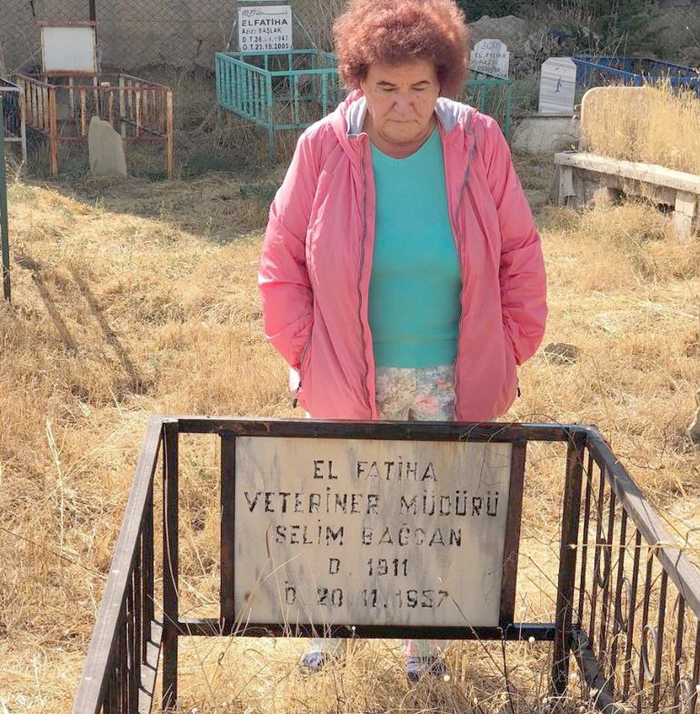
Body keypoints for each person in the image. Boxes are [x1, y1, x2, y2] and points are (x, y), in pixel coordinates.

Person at [258, 0, 547, 681]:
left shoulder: (479, 141)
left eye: (420, 86)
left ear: (443, 81)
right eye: (386, 86)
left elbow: (520, 252)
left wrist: (510, 346)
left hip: (450, 373)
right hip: (349, 373)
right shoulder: (323, 147)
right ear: (358, 79)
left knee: (435, 512)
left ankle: (425, 644)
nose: (403, 104)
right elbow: (282, 260)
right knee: (344, 511)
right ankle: (335, 633)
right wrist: (305, 353)